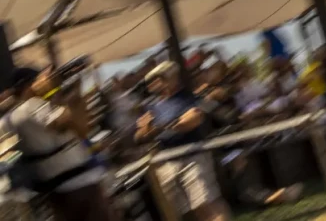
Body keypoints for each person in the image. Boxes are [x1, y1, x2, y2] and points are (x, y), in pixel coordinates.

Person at [1, 67, 116, 221]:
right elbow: (74, 125)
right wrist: (58, 92)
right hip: (80, 184)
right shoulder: (33, 106)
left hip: (54, 190)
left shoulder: (7, 120)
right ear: (29, 85)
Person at [135, 62, 230, 221]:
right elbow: (139, 135)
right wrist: (151, 128)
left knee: (206, 205)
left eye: (157, 79)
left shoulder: (189, 98)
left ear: (170, 78)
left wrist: (158, 126)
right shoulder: (153, 107)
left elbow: (192, 119)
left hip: (192, 158)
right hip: (166, 162)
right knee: (184, 213)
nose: (154, 84)